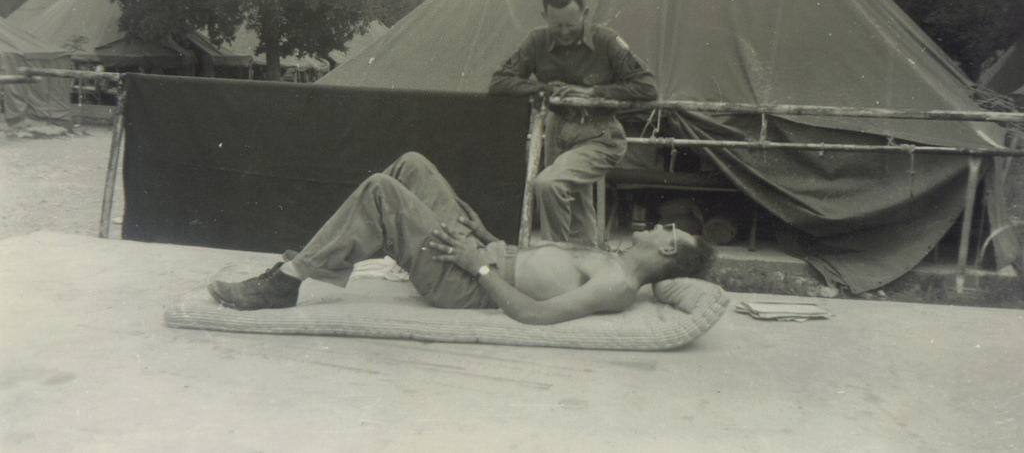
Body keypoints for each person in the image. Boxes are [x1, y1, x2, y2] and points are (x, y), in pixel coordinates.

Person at [208, 152, 715, 325]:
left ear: (669, 249)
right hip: (483, 255)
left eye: (670, 229)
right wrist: (487, 242)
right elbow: (540, 267)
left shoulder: (618, 285)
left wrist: (477, 264)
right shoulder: (615, 261)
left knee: (382, 191)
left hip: (464, 283)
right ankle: (349, 246)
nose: (660, 225)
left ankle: (286, 281)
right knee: (412, 165)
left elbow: (533, 314)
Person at [489, 0, 658, 246]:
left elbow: (647, 87)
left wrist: (592, 92)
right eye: (557, 26)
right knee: (578, 206)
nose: (565, 33)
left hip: (599, 133)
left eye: (571, 24)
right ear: (544, 18)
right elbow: (499, 81)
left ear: (585, 14)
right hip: (557, 131)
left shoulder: (607, 40)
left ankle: (554, 259)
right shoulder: (536, 41)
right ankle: (587, 266)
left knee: (548, 184)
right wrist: (542, 88)